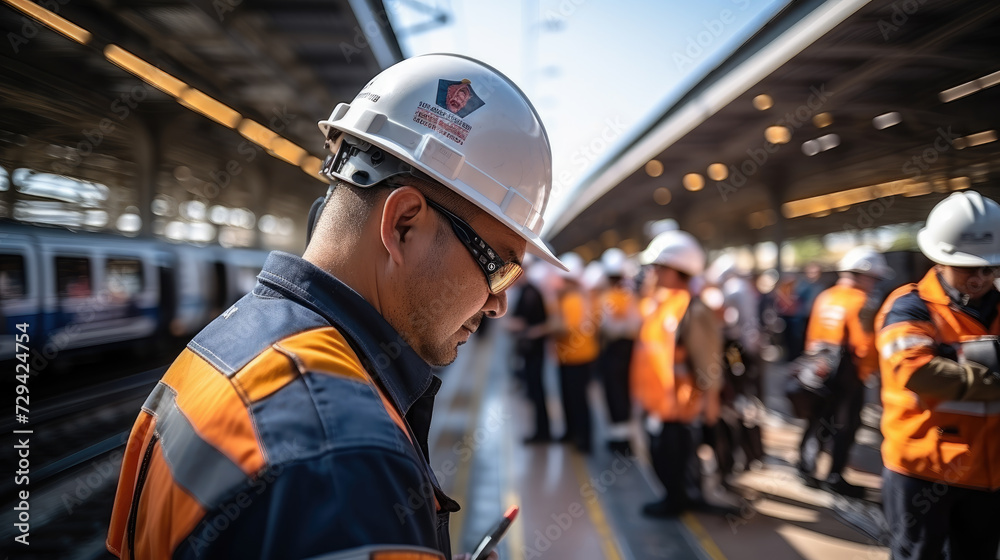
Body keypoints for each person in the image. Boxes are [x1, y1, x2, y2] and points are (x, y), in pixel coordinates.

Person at [107, 54, 562, 559]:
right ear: (403, 224)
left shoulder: (216, 350)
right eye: (500, 267)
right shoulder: (349, 457)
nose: (499, 303)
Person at [876, 191, 1000, 560]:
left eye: (989, 268)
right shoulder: (909, 306)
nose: (980, 278)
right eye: (968, 267)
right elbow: (918, 371)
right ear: (940, 259)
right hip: (923, 469)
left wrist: (958, 359)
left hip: (988, 469)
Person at [631, 230, 724, 517]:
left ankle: (678, 501)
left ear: (675, 269)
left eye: (658, 267)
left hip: (682, 406)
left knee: (676, 458)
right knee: (661, 455)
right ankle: (676, 497)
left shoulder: (694, 309)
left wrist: (711, 402)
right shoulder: (661, 304)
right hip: (660, 402)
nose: (653, 273)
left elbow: (708, 360)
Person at [795, 246, 890, 497]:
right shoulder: (862, 301)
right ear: (861, 275)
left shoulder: (825, 296)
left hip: (818, 369)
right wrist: (868, 373)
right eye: (873, 278)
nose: (874, 284)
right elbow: (865, 345)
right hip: (847, 374)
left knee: (817, 420)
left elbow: (811, 334)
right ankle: (835, 477)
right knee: (846, 425)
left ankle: (805, 468)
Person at [552, 252, 599, 454]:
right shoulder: (579, 296)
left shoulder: (572, 299)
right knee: (570, 398)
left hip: (577, 357)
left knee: (578, 400)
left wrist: (543, 329)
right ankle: (572, 433)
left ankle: (584, 440)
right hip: (572, 356)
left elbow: (565, 328)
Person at [598, 248, 641, 456]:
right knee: (624, 392)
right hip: (628, 349)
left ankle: (620, 441)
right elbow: (636, 323)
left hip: (614, 350)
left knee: (614, 393)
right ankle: (626, 439)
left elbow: (607, 327)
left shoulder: (608, 298)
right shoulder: (630, 296)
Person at [509, 260, 554, 443]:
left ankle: (543, 432)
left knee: (536, 390)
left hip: (534, 349)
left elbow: (522, 322)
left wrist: (508, 324)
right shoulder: (527, 291)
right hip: (530, 349)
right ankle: (541, 431)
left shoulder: (530, 293)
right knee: (534, 390)